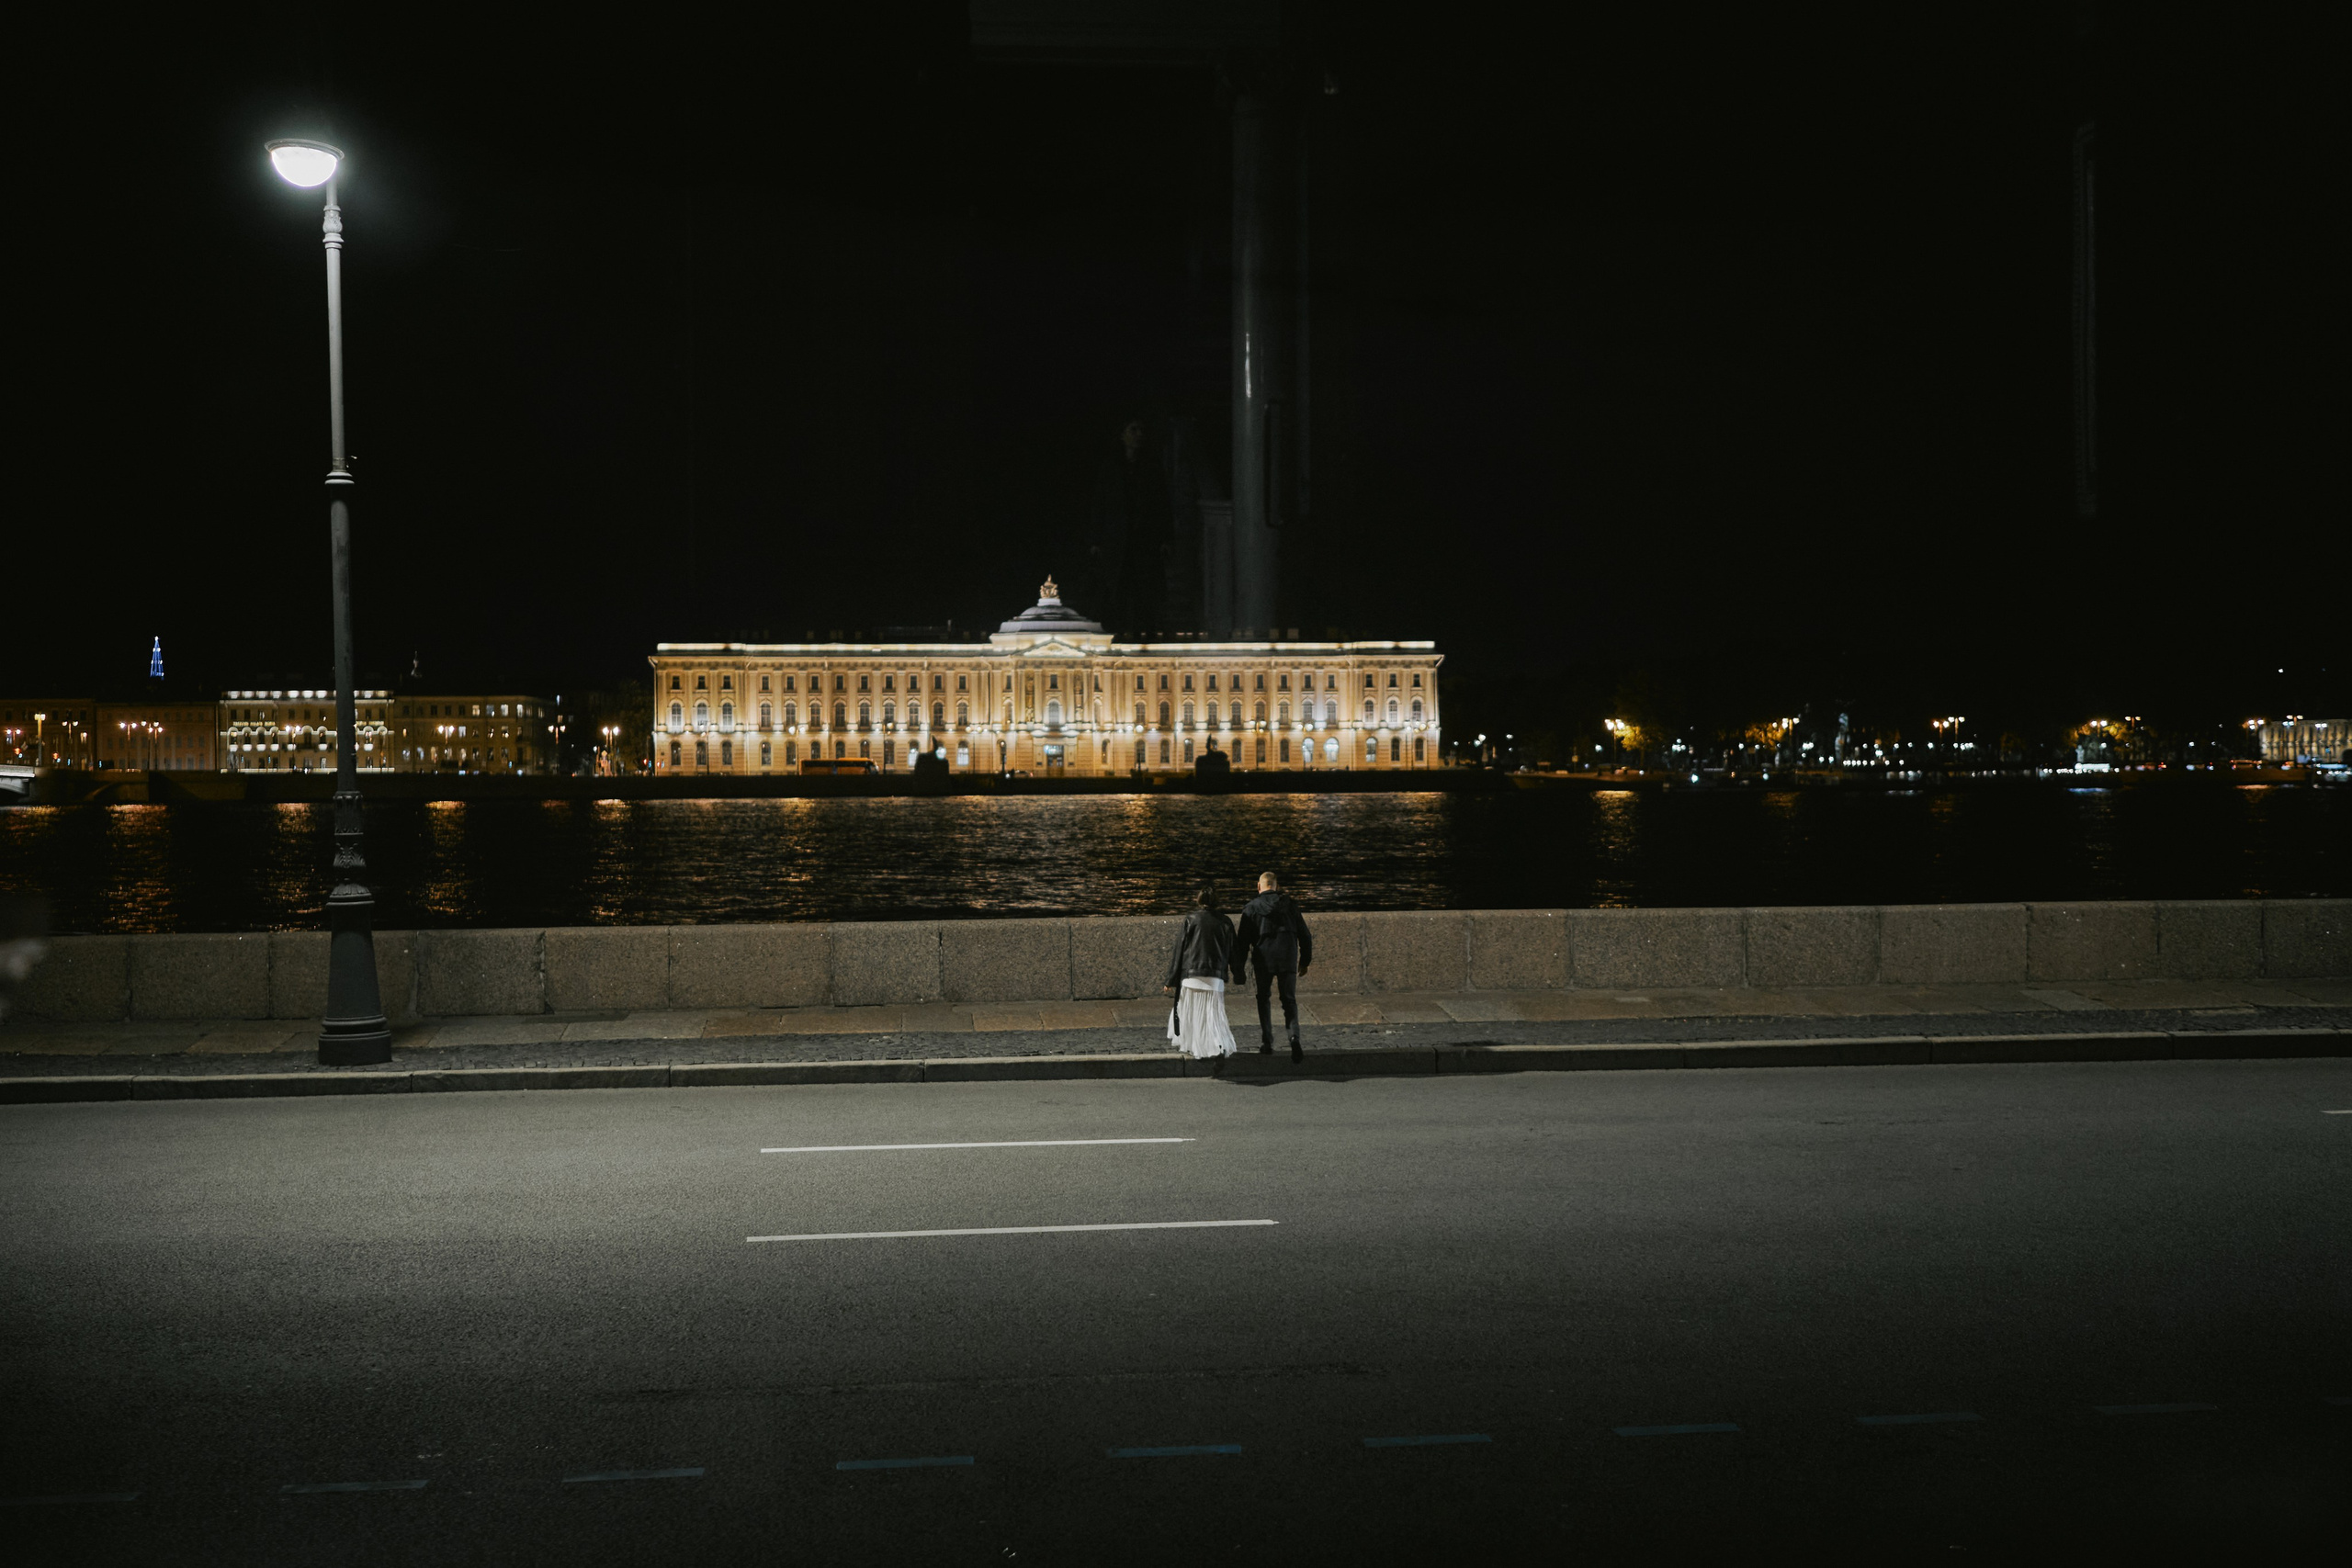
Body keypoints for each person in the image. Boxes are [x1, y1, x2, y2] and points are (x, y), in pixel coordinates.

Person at [1234, 872, 1313, 1061]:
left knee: (1263, 998)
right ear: (1276, 886)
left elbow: (1242, 943)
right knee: (1289, 1000)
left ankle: (1267, 1042)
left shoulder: (1251, 908)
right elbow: (1305, 936)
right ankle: (1294, 1038)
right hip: (1287, 957)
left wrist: (1238, 970)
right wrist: (1304, 961)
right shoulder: (1290, 905)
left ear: (1259, 886)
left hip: (1263, 959)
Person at [1163, 885, 1238, 1062]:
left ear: (1199, 900)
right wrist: (1238, 973)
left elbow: (1179, 951)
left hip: (1191, 975)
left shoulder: (1191, 919)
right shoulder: (1225, 921)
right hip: (1215, 977)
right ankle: (1217, 1045)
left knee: (1190, 1014)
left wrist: (1171, 979)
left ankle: (1194, 1046)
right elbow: (1233, 951)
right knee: (1212, 1016)